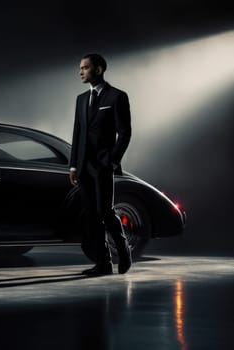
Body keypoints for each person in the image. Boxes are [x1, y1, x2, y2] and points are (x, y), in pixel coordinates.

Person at [69, 53, 132, 275]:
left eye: (85, 68)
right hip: (84, 166)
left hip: (104, 165)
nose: (81, 72)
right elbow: (78, 133)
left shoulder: (117, 97)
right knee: (90, 214)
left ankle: (123, 251)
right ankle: (103, 263)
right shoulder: (80, 99)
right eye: (80, 68)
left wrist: (113, 161)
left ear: (99, 69)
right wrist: (73, 166)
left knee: (105, 211)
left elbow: (125, 133)